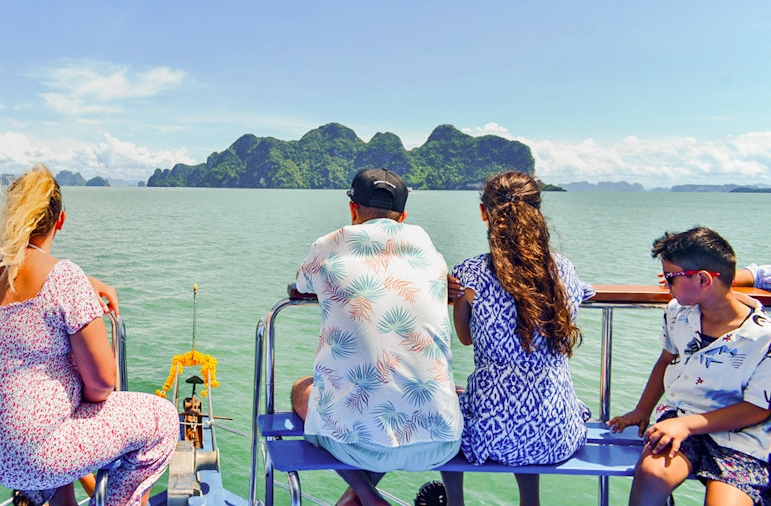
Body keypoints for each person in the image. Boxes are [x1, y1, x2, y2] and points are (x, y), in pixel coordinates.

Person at [0, 166, 178, 506]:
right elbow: (101, 385)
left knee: (46, 413)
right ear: (60, 220)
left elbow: (16, 286)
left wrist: (85, 285)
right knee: (163, 421)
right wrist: (82, 287)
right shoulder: (65, 278)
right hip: (28, 453)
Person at [289, 168, 462, 506]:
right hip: (440, 443)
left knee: (302, 389)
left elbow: (302, 284)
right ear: (404, 217)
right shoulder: (429, 251)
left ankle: (369, 498)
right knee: (422, 390)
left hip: (356, 443)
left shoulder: (328, 245)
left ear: (353, 210)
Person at [440, 171, 594, 506]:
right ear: (537, 212)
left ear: (485, 214)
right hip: (557, 434)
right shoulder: (564, 270)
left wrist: (458, 299)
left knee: (447, 412)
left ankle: (454, 502)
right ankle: (530, 501)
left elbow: (465, 338)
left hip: (490, 436)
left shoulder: (470, 273)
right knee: (530, 399)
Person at [609, 227, 771, 506]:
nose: (667, 286)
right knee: (651, 475)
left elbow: (758, 407)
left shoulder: (763, 338)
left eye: (671, 278)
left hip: (741, 436)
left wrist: (686, 426)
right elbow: (665, 360)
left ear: (704, 279)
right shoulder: (676, 313)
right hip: (680, 416)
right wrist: (642, 410)